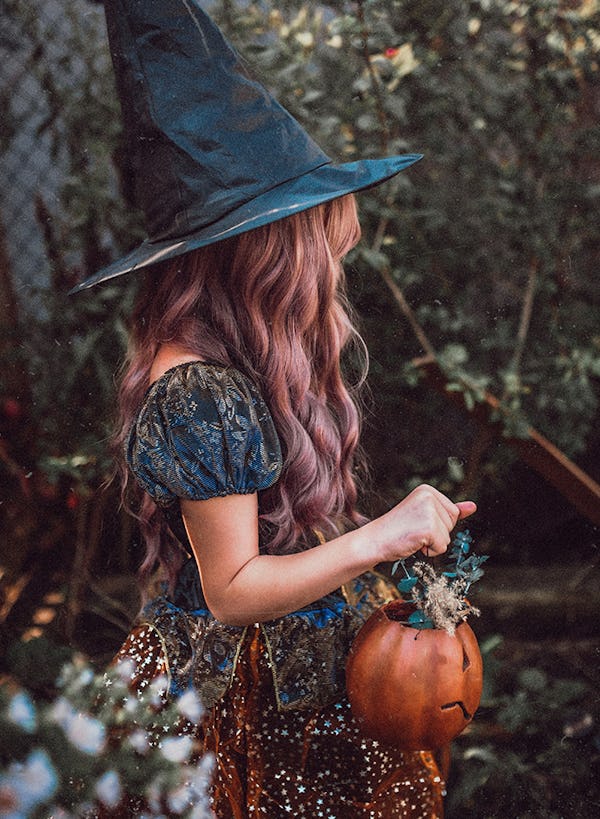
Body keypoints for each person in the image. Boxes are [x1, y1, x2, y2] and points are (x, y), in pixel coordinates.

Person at [74, 2, 476, 816]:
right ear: (270, 252)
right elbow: (232, 588)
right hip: (242, 694)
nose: (331, 274)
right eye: (323, 248)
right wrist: (382, 536)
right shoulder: (197, 394)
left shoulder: (224, 359)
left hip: (299, 658)